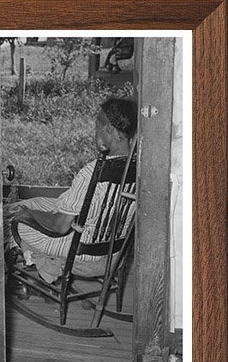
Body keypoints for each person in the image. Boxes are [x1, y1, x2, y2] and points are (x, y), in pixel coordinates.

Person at [8, 97, 137, 284]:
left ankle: (24, 277)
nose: (95, 132)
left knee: (14, 221)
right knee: (28, 203)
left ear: (109, 129)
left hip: (82, 250)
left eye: (97, 127)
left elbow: (59, 226)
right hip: (114, 248)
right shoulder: (138, 166)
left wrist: (29, 214)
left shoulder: (93, 172)